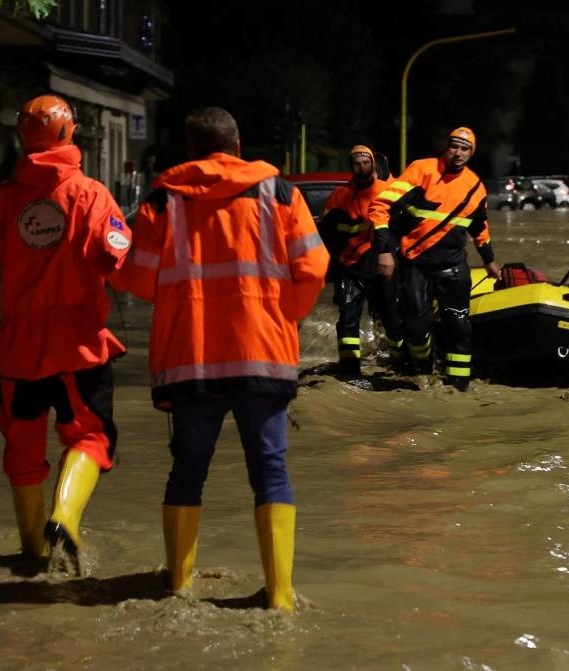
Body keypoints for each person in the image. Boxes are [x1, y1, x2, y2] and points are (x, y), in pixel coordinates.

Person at [118, 107, 328, 611]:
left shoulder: (162, 200)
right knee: (271, 468)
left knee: (188, 468)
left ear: (189, 151)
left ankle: (177, 586)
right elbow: (314, 266)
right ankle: (279, 596)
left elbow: (140, 280)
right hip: (263, 355)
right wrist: (284, 318)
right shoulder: (279, 193)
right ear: (237, 146)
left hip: (190, 359)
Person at [0, 94, 131, 573]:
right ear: (69, 133)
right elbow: (123, 266)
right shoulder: (91, 194)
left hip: (18, 350)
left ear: (23, 136)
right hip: (79, 344)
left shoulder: (3, 199)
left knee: (21, 447)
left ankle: (32, 554)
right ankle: (65, 516)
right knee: (90, 437)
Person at [368, 127, 501, 391]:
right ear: (446, 147)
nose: (458, 153)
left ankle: (458, 386)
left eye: (465, 148)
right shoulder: (422, 170)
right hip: (416, 264)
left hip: (453, 266)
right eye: (454, 146)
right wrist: (384, 249)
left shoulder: (475, 186)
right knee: (416, 328)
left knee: (460, 328)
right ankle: (424, 371)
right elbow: (380, 206)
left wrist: (489, 260)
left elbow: (480, 228)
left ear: (471, 153)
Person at [319, 145, 406, 376]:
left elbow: (401, 228)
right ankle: (349, 370)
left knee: (391, 318)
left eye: (365, 162)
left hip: (380, 265)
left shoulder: (388, 191)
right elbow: (326, 234)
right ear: (351, 166)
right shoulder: (340, 196)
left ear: (373, 164)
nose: (361, 167)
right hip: (350, 266)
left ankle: (401, 365)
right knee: (348, 320)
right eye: (356, 163)